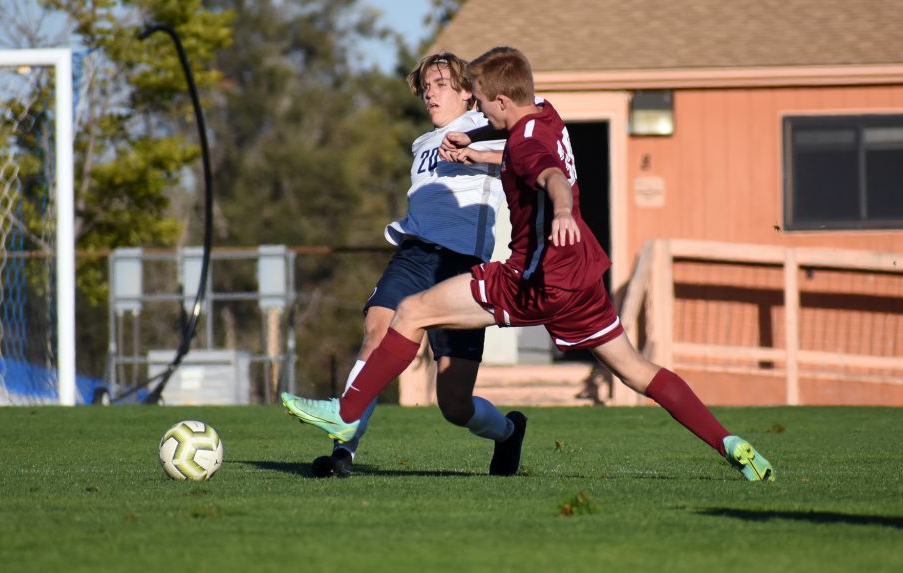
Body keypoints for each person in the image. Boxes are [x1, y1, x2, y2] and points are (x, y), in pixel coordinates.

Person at [283, 46, 774, 482]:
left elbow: (549, 174)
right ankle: (728, 442)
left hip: (529, 281)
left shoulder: (524, 143)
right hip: (581, 280)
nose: (476, 109)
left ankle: (345, 414)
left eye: (479, 98)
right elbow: (527, 159)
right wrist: (479, 157)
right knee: (635, 369)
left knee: (410, 312)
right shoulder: (548, 117)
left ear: (499, 101)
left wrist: (561, 208)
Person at [304, 52, 526, 478]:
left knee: (454, 404)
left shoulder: (490, 132)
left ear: (468, 93)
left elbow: (527, 155)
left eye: (441, 84)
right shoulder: (422, 143)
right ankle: (342, 451)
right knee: (376, 333)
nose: (431, 93)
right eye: (426, 87)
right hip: (414, 254)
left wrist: (478, 155)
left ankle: (508, 431)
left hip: (462, 266)